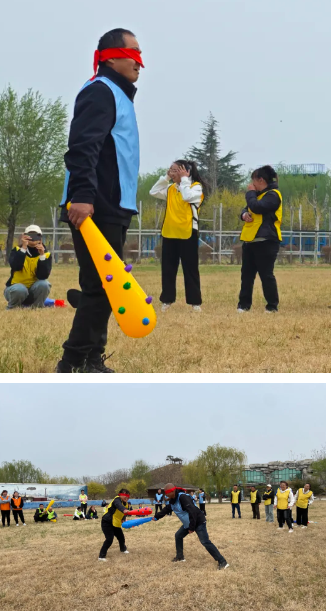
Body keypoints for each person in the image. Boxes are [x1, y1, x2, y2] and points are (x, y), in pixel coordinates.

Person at [57, 28, 144, 373]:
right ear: (111, 57)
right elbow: (82, 147)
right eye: (133, 53)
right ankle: (72, 363)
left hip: (114, 205)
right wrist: (81, 195)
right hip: (95, 205)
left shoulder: (119, 96)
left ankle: (92, 358)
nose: (140, 62)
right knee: (100, 286)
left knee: (106, 287)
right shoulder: (100, 91)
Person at [149, 161, 205, 312]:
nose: (171, 173)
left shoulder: (196, 188)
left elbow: (187, 197)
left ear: (185, 171)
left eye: (175, 170)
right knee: (168, 268)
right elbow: (153, 191)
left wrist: (184, 179)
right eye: (170, 170)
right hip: (169, 233)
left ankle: (195, 302)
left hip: (187, 233)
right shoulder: (171, 188)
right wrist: (166, 178)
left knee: (190, 269)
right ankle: (167, 300)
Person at [237, 165, 282, 313]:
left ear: (261, 180)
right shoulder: (258, 195)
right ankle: (243, 305)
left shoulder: (273, 195)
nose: (251, 184)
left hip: (266, 241)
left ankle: (272, 306)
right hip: (250, 241)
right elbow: (248, 208)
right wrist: (244, 214)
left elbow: (256, 207)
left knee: (266, 275)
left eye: (253, 181)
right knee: (246, 275)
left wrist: (250, 193)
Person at [153, 484, 228, 569]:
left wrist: (192, 527)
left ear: (173, 491)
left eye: (167, 493)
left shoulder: (183, 498)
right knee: (178, 535)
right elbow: (166, 509)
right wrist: (156, 517)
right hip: (188, 523)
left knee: (205, 541)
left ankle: (222, 562)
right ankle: (180, 557)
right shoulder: (173, 501)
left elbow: (193, 512)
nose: (166, 495)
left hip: (198, 522)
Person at [4, 225, 52, 310]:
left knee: (44, 284)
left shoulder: (46, 254)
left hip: (34, 291)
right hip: (15, 290)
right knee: (20, 289)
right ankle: (12, 307)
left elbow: (43, 276)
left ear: (40, 238)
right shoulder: (17, 250)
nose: (32, 239)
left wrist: (42, 256)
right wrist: (23, 248)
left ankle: (37, 307)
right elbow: (16, 266)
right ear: (24, 236)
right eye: (30, 236)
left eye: (36, 236)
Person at [98, 489, 132, 561]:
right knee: (109, 539)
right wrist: (124, 510)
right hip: (107, 522)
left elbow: (123, 513)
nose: (127, 497)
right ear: (120, 494)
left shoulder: (126, 504)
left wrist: (123, 518)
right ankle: (101, 556)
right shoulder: (117, 499)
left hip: (115, 523)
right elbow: (119, 506)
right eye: (125, 495)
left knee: (121, 537)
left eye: (128, 496)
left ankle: (123, 549)